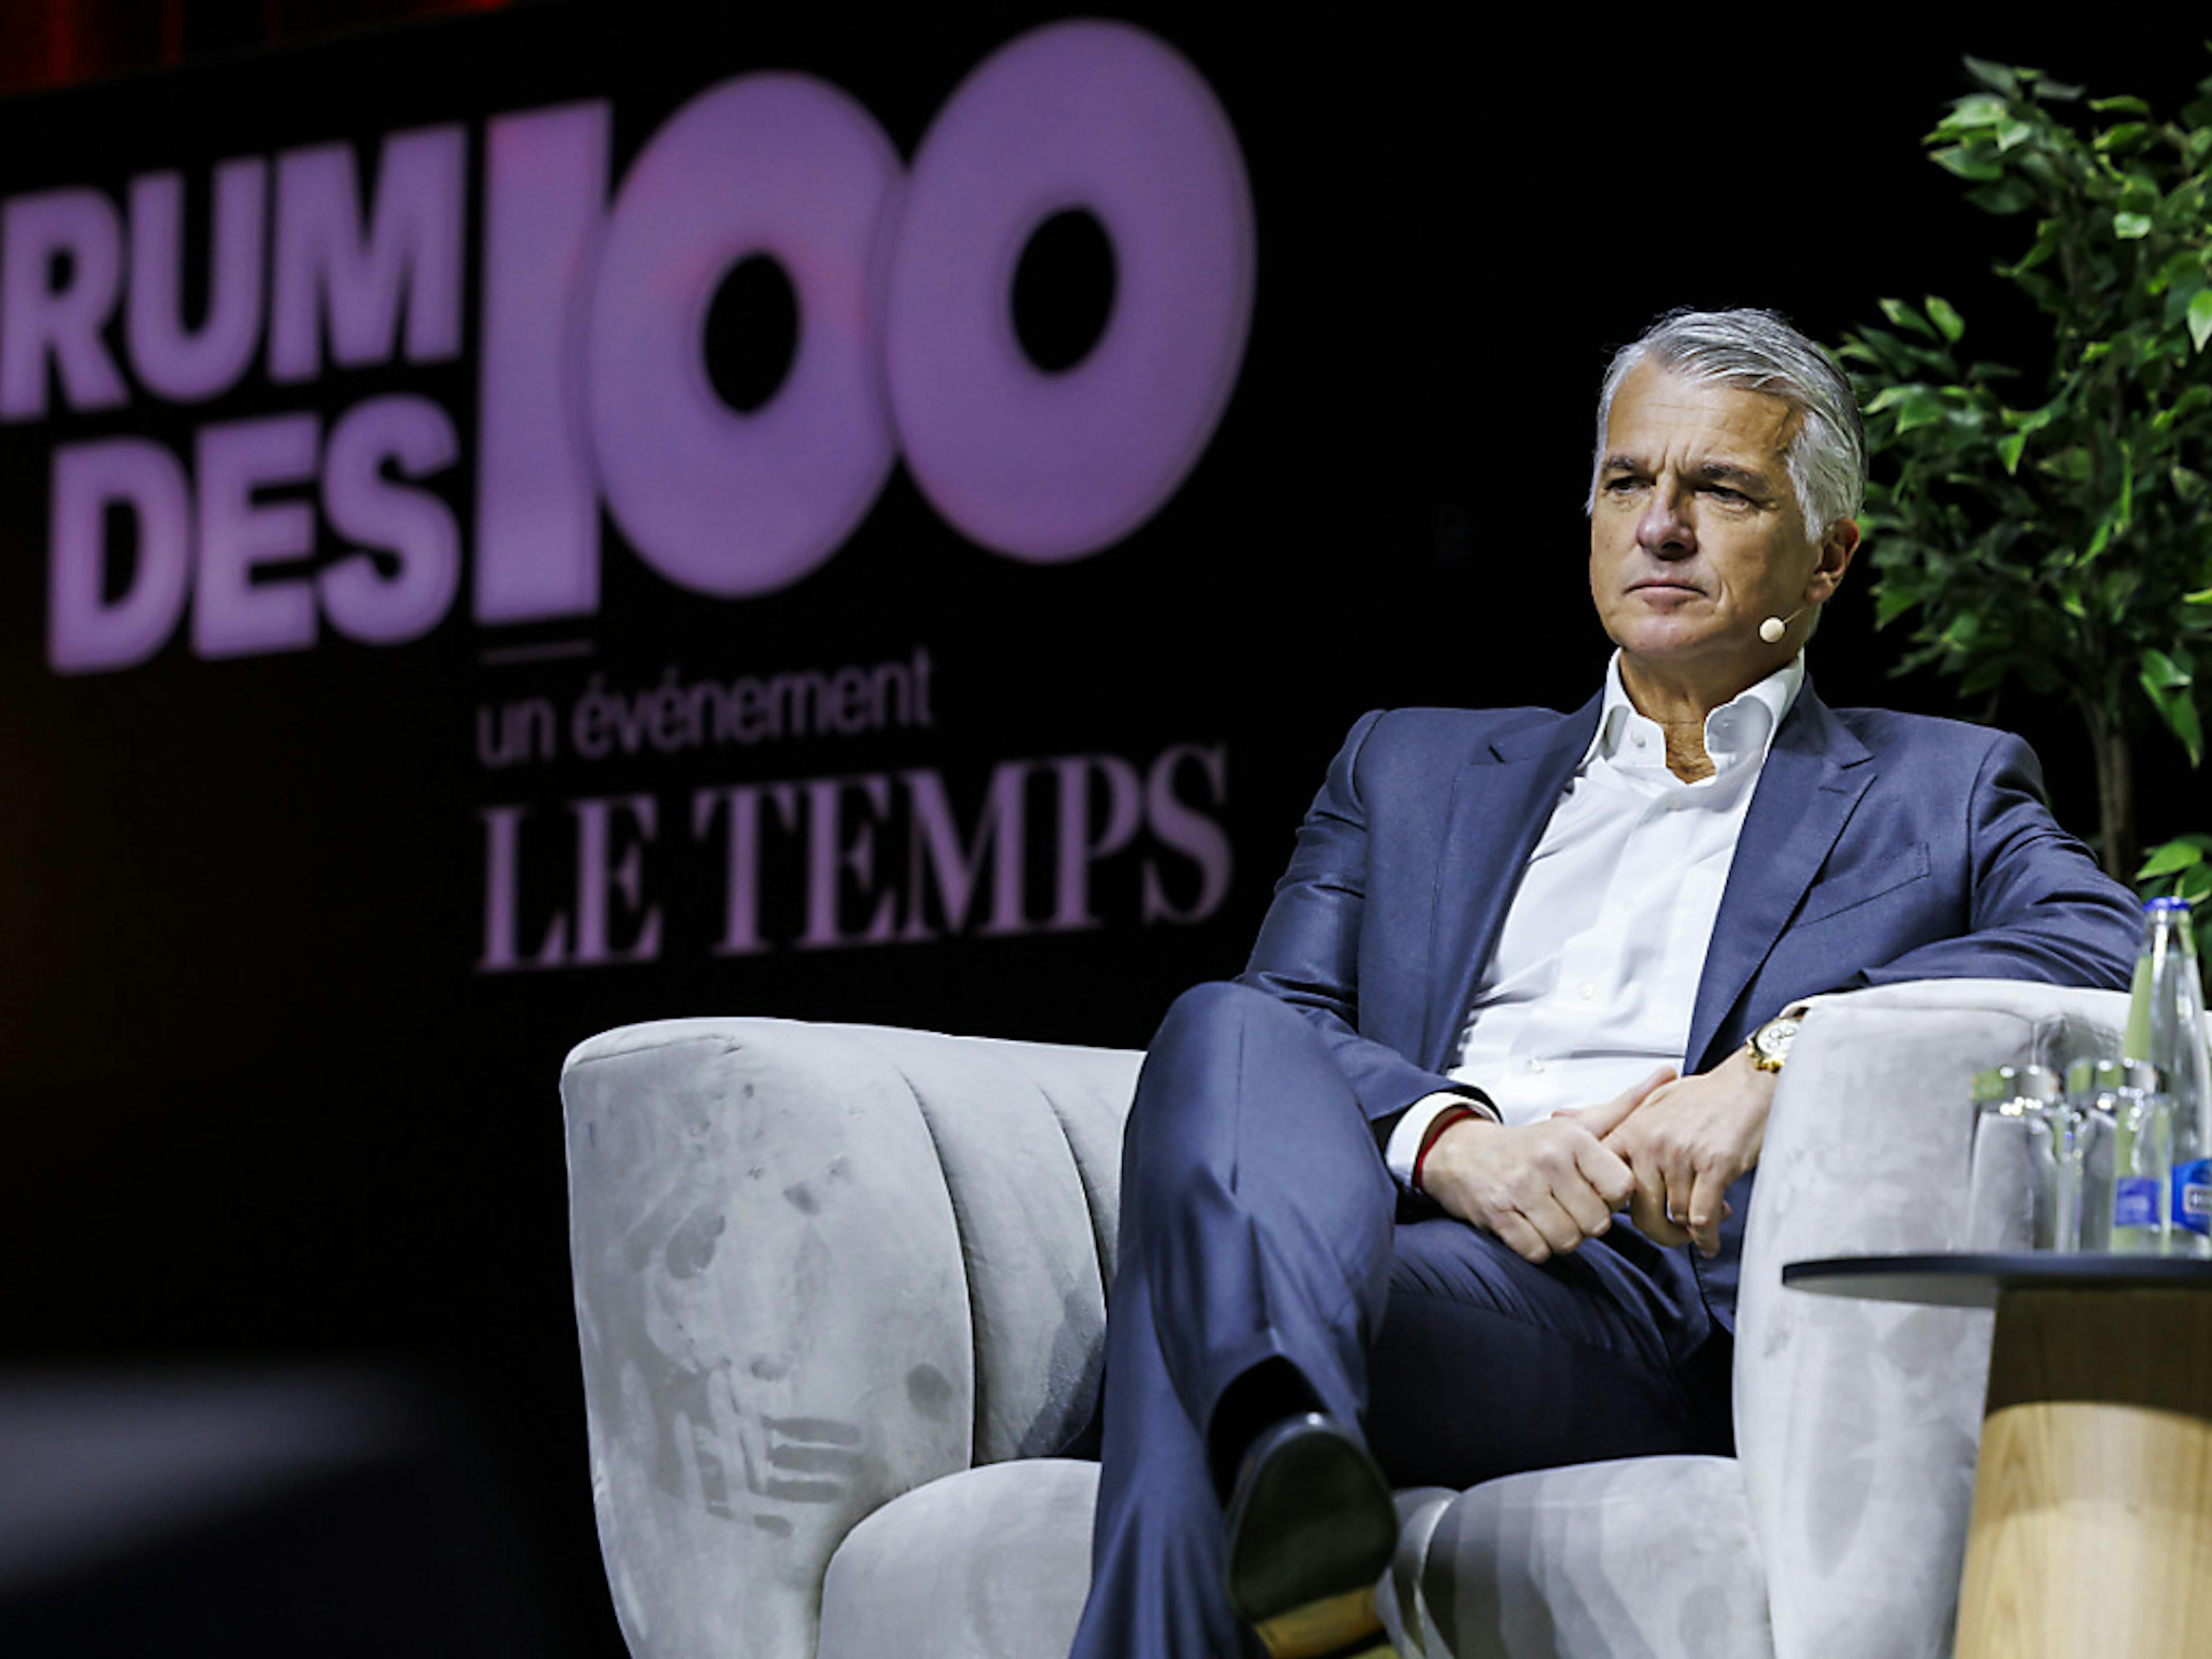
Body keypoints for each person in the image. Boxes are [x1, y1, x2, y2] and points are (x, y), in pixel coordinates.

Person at [1066, 308, 2143, 1659]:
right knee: (1218, 1019)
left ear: (1829, 559)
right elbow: (1282, 1026)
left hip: (1633, 1306)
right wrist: (1451, 1142)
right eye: (1630, 482)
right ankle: (1287, 1465)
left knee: (1195, 1324)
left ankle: (1268, 1429)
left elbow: (2108, 947)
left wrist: (1778, 1058)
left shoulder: (1944, 785)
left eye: (1724, 490)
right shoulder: (1404, 767)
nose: (1663, 525)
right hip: (1377, 1240)